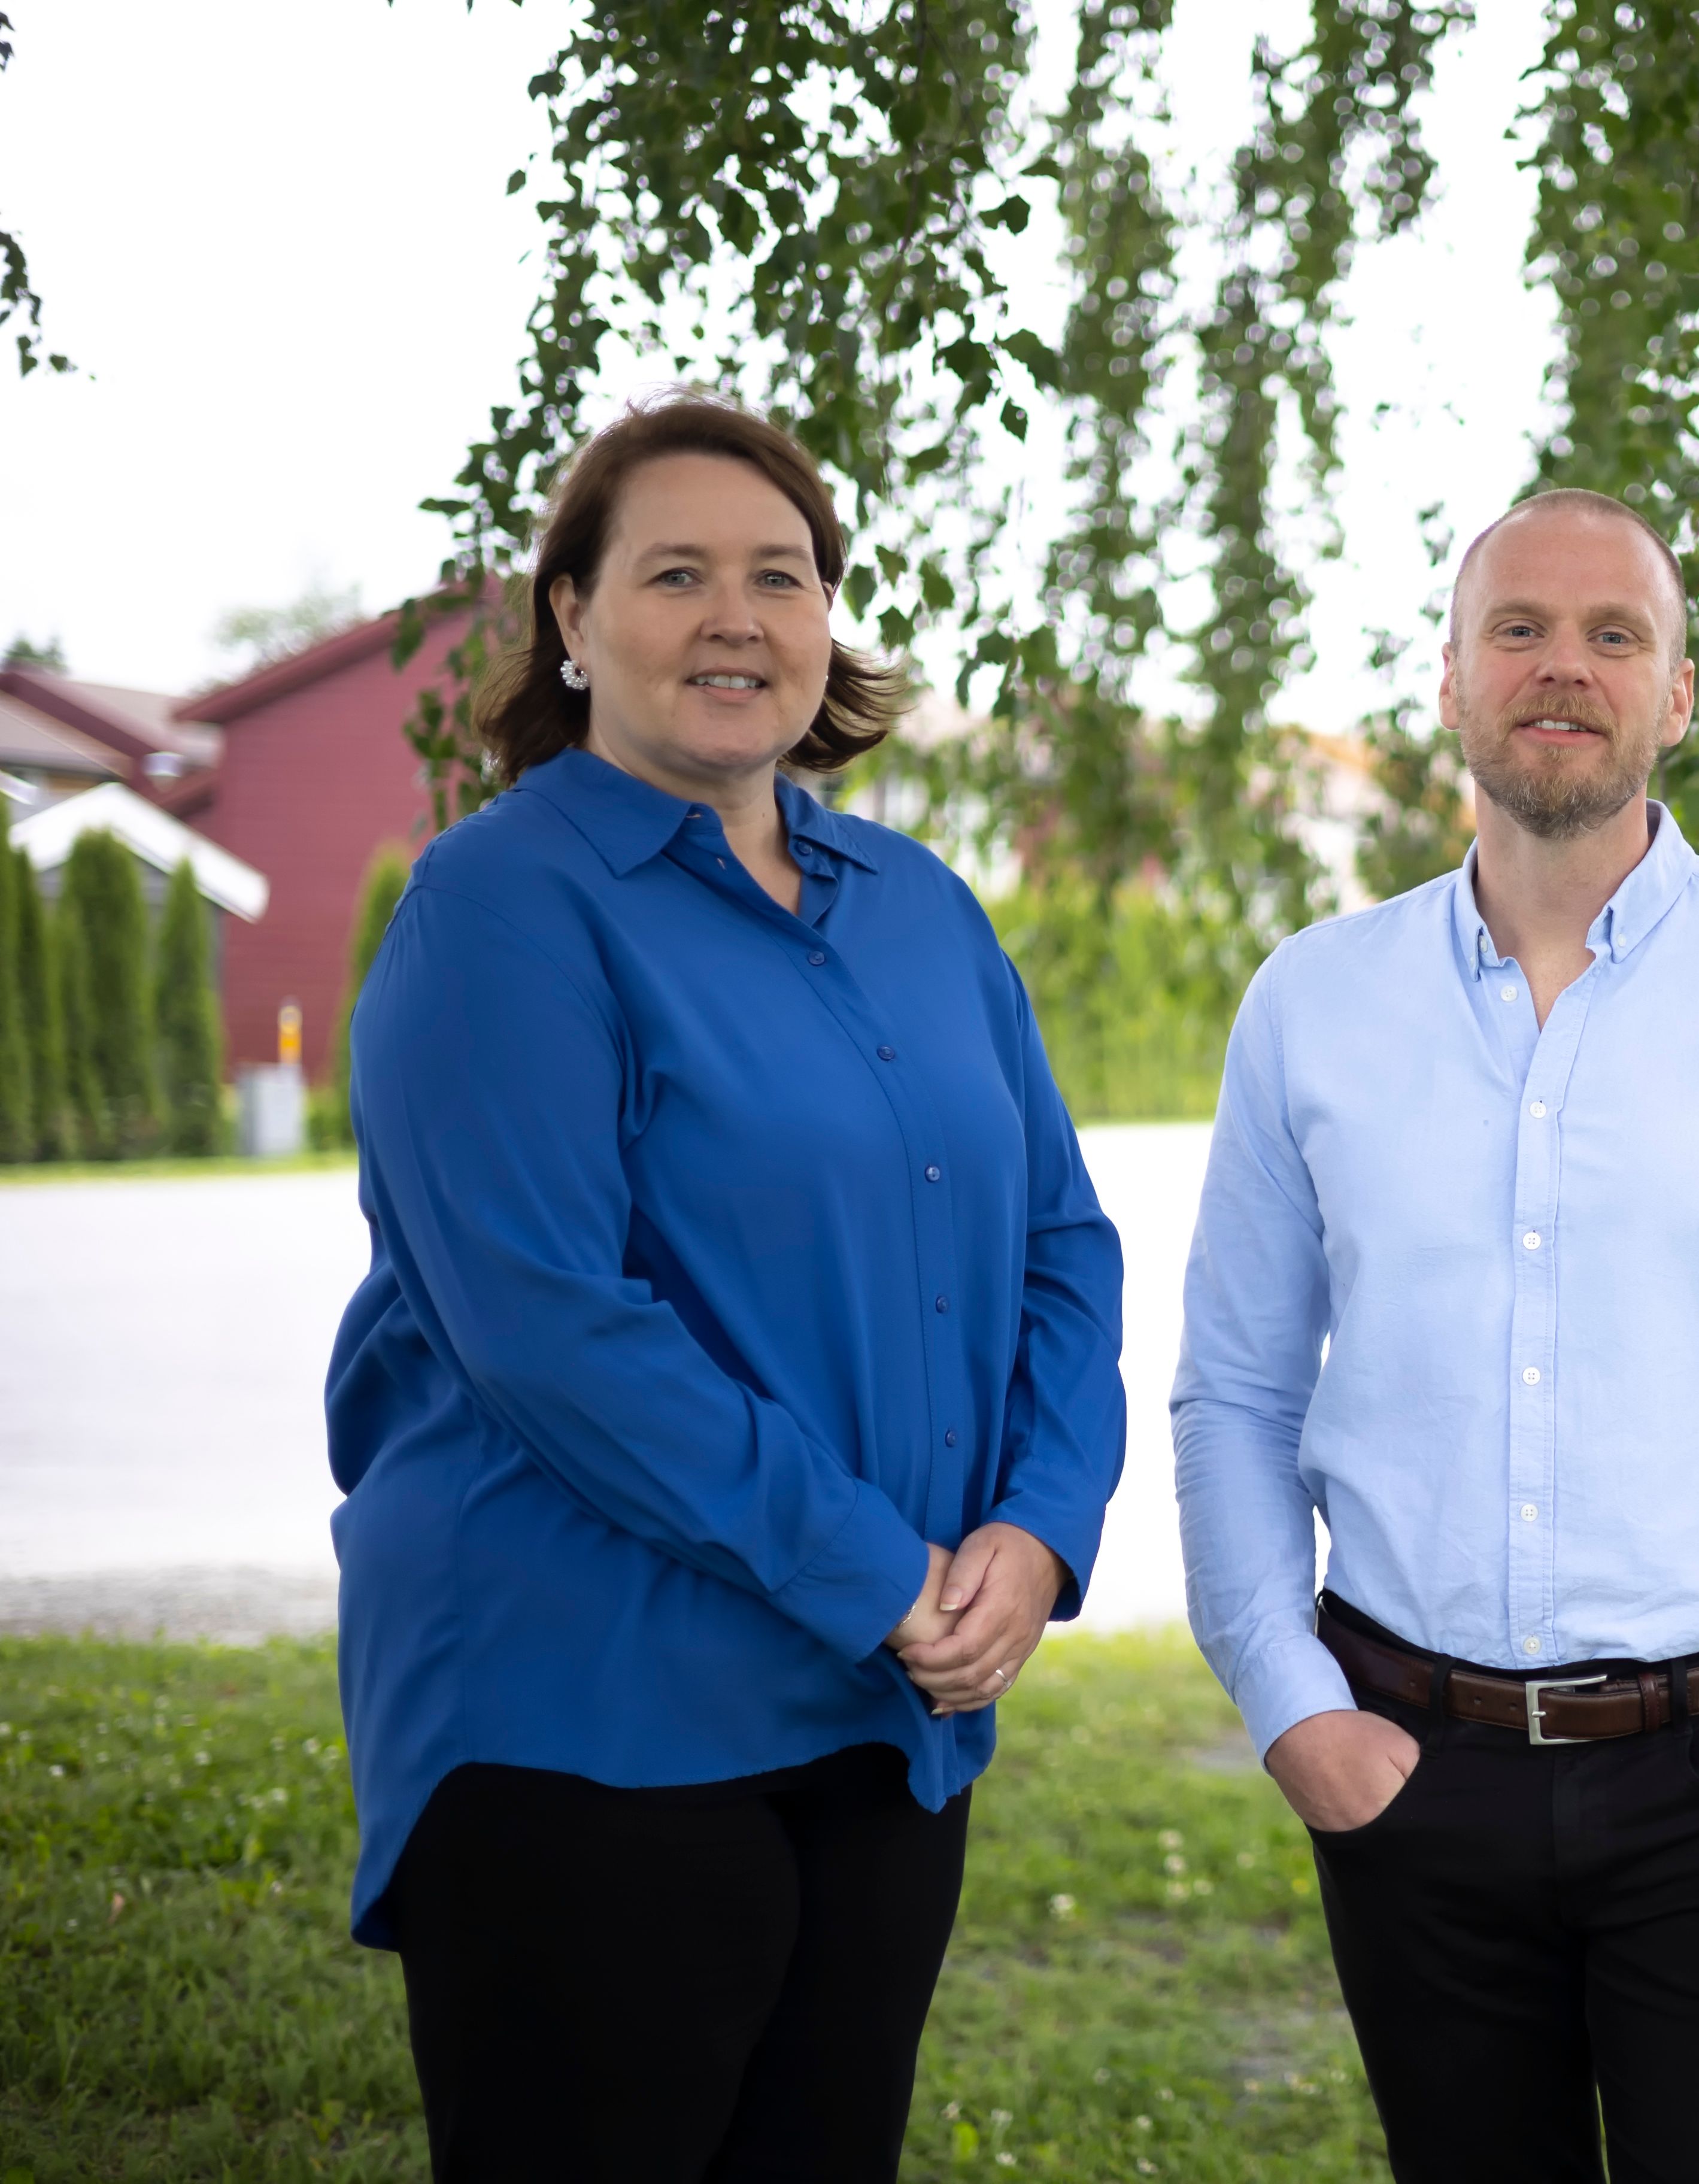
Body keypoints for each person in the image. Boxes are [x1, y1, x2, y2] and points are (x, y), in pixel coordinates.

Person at [326, 392, 1125, 2183]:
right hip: (585, 1717)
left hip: (885, 1717)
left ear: (827, 616)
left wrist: (1039, 1528)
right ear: (573, 615)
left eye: (780, 575)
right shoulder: (500, 907)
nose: (736, 619)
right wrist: (882, 1576)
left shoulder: (919, 907)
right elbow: (550, 1328)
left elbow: (1061, 1243)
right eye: (676, 574)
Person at [1173, 487, 1699, 2183]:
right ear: (1450, 680)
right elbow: (1234, 1394)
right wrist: (1290, 1702)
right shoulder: (1312, 1002)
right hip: (1410, 1770)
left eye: (1616, 635)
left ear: (1677, 695)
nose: (1565, 667)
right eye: (1519, 629)